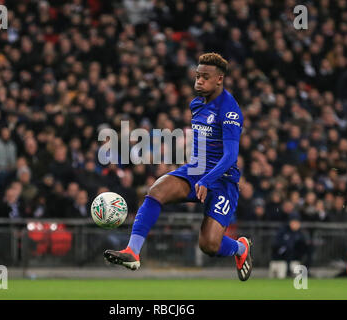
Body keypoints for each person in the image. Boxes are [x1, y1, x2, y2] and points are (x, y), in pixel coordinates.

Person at [104, 53, 252, 281]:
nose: (199, 81)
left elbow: (231, 156)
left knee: (209, 245)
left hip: (222, 180)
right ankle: (132, 251)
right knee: (155, 191)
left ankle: (241, 249)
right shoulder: (196, 105)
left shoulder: (229, 111)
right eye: (197, 76)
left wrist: (206, 180)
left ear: (219, 79)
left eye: (205, 77)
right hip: (195, 170)